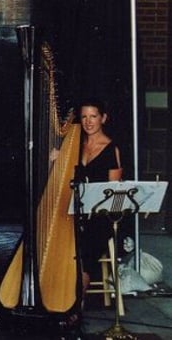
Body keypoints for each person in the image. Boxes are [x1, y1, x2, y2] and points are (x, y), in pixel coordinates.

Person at [74, 99, 123, 296]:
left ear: (103, 118)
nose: (88, 122)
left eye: (93, 116)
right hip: (77, 212)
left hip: (101, 216)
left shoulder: (112, 149)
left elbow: (114, 195)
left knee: (86, 242)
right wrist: (56, 159)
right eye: (84, 117)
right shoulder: (73, 147)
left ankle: (75, 306)